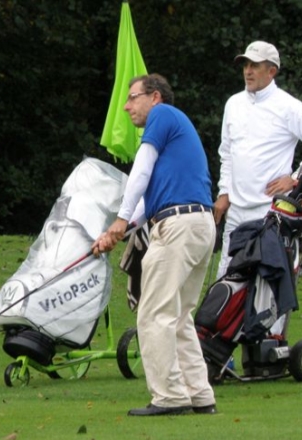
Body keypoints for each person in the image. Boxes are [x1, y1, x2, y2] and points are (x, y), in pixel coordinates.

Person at [92, 74, 217, 416]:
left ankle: (170, 397)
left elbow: (141, 171)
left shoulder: (163, 116)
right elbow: (149, 203)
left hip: (178, 226)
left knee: (154, 314)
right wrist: (119, 229)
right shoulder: (174, 133)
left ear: (155, 97)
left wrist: (119, 218)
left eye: (133, 97)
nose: (126, 105)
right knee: (178, 316)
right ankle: (199, 395)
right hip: (198, 224)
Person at [214, 40, 302, 278]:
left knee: (266, 280)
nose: (248, 71)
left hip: (269, 211)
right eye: (245, 65)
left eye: (255, 65)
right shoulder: (233, 104)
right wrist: (224, 192)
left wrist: (294, 178)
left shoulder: (288, 106)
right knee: (226, 277)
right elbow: (227, 153)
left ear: (271, 71)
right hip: (236, 211)